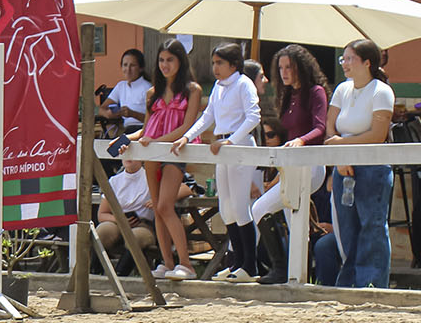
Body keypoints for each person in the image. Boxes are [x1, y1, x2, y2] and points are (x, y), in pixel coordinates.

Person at [173, 42, 260, 281]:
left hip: (239, 147)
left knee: (241, 207)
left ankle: (249, 266)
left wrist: (231, 140)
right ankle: (235, 265)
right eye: (214, 63)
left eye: (220, 63)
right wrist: (187, 136)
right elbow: (207, 116)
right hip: (221, 148)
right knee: (227, 208)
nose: (215, 68)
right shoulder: (219, 88)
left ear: (233, 64)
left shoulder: (244, 84)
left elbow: (253, 117)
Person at [315, 38, 395, 288]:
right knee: (347, 228)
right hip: (344, 167)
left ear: (367, 62)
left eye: (350, 59)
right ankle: (349, 282)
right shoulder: (342, 89)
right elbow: (330, 127)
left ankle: (372, 284)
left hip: (372, 167)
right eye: (344, 59)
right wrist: (339, 158)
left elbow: (377, 135)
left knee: (372, 225)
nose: (345, 64)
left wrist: (340, 146)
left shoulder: (381, 91)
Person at [249, 45, 329, 284]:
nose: (284, 72)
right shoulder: (287, 95)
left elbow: (320, 128)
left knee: (276, 212)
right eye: (280, 67)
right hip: (290, 167)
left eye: (289, 67)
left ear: (300, 68)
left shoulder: (315, 92)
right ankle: (288, 272)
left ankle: (291, 273)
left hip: (311, 166)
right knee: (274, 214)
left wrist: (301, 140)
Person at [137, 38, 202, 279]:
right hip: (151, 152)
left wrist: (156, 141)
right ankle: (167, 263)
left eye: (170, 60)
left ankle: (186, 264)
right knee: (158, 209)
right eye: (161, 60)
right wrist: (124, 140)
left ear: (180, 61)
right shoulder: (151, 92)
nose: (165, 65)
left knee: (164, 205)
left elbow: (188, 127)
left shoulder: (192, 89)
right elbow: (144, 130)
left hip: (175, 150)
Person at [95, 158, 156, 275]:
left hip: (143, 225)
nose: (129, 158)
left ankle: (120, 275)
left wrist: (157, 199)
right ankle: (95, 272)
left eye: (133, 155)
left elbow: (186, 188)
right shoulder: (114, 181)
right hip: (118, 222)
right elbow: (102, 214)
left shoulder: (151, 178)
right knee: (102, 231)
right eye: (126, 154)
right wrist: (120, 220)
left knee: (135, 236)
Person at [98, 49, 152, 135]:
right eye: (125, 65)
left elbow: (154, 119)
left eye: (132, 65)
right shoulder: (121, 86)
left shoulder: (148, 88)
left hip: (145, 130)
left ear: (141, 68)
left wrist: (133, 114)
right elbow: (101, 109)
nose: (128, 69)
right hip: (127, 129)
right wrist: (109, 114)